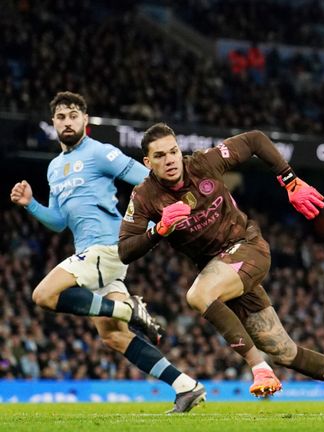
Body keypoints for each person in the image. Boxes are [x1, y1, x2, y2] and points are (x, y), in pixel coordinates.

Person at [118, 123, 324, 414]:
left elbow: (256, 140)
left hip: (248, 247)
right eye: (159, 156)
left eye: (173, 152)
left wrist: (290, 181)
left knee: (198, 295)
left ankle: (259, 368)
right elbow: (125, 251)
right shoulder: (144, 196)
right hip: (220, 269)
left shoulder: (204, 163)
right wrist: (159, 229)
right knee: (284, 351)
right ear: (147, 162)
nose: (170, 160)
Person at [9, 91, 205, 413]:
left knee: (43, 294)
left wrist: (151, 214)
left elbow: (145, 177)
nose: (67, 121)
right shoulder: (54, 168)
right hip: (93, 254)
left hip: (107, 247)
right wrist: (30, 204)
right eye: (61, 117)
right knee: (113, 337)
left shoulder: (99, 152)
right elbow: (59, 222)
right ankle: (186, 386)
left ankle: (130, 310)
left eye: (74, 115)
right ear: (54, 123)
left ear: (85, 120)